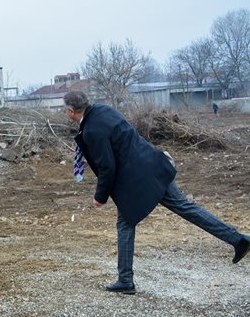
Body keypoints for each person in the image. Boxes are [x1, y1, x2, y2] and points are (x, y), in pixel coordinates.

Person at [63, 91, 250, 294]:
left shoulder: (91, 131)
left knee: (125, 224)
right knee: (185, 207)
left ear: (71, 111)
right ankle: (238, 239)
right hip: (152, 164)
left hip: (136, 180)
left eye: (67, 110)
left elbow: (107, 167)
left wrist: (100, 197)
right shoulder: (103, 110)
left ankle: (125, 280)